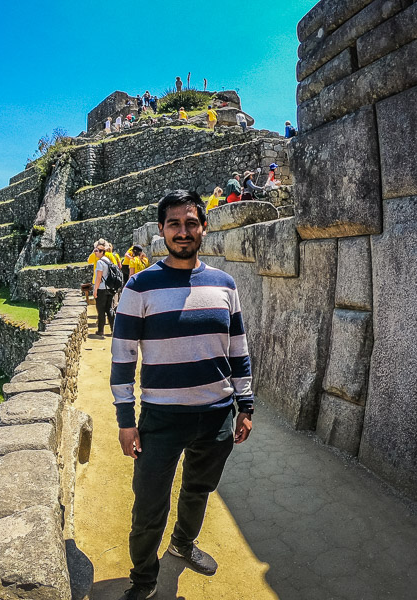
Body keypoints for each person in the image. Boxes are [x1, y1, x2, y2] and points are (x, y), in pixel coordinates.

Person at [111, 190, 254, 600]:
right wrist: (125, 421)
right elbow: (122, 358)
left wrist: (245, 406)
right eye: (174, 223)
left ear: (203, 228)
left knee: (198, 489)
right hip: (161, 417)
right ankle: (143, 578)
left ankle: (183, 542)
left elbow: (238, 350)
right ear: (161, 230)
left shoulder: (224, 285)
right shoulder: (140, 287)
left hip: (216, 414)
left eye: (191, 223)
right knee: (149, 503)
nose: (183, 231)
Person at [93, 244, 116, 337]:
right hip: (110, 288)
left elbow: (99, 277)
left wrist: (95, 290)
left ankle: (100, 330)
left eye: (97, 251)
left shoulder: (100, 262)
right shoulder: (108, 261)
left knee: (101, 310)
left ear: (102, 252)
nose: (95, 252)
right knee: (109, 309)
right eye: (95, 250)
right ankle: (113, 329)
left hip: (102, 288)